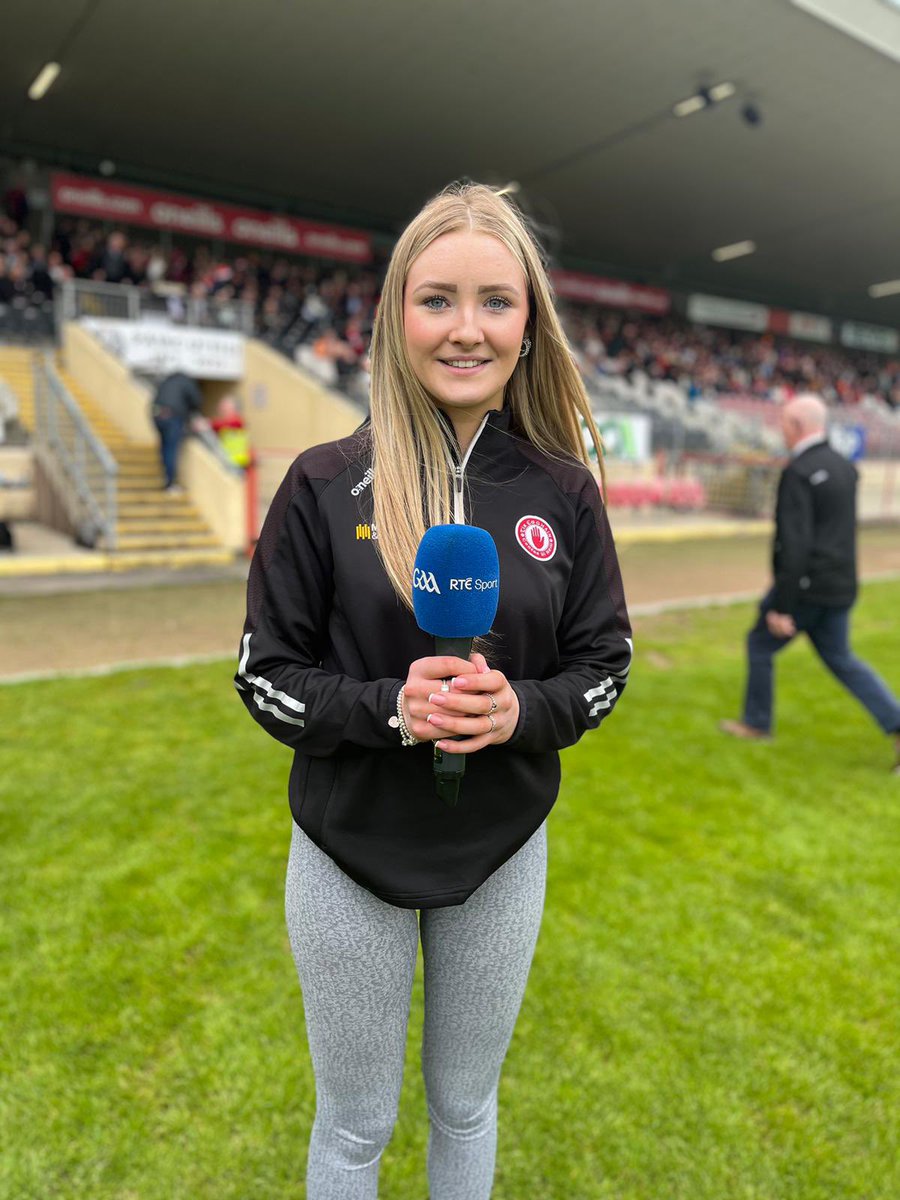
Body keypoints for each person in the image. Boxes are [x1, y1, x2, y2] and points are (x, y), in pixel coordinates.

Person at [234, 182, 632, 1199]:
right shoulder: (324, 484)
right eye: (438, 299)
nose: (467, 329)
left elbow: (604, 666)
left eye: (496, 301)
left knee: (465, 1106)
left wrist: (519, 712)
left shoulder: (565, 492)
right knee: (355, 1128)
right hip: (348, 849)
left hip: (501, 850)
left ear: (529, 322)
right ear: (395, 317)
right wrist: (391, 712)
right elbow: (265, 677)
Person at [720, 393, 900, 772]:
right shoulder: (844, 467)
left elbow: (795, 542)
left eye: (783, 423)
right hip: (840, 585)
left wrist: (783, 606)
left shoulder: (799, 471)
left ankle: (756, 723)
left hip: (805, 588)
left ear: (797, 426)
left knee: (760, 643)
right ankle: (897, 724)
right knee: (842, 659)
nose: (779, 430)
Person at [149, 371, 204, 492]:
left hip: (156, 415)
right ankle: (170, 483)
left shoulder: (167, 381)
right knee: (171, 448)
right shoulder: (186, 382)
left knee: (164, 446)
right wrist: (192, 417)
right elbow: (196, 400)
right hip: (172, 416)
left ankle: (165, 476)